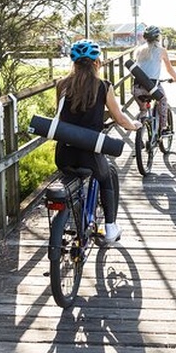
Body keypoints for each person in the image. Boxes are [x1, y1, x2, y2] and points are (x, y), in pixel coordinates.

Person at [55, 39, 141, 244]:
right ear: (97, 63)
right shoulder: (103, 87)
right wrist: (134, 125)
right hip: (89, 153)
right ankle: (110, 228)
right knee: (107, 177)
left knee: (70, 177)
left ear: (74, 64)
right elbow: (120, 118)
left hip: (63, 153)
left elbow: (60, 116)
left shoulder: (61, 85)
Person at [131, 25, 176, 133]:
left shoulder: (139, 50)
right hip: (152, 87)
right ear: (158, 37)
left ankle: (139, 137)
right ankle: (163, 128)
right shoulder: (161, 50)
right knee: (162, 100)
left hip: (136, 87)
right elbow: (169, 69)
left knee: (143, 110)